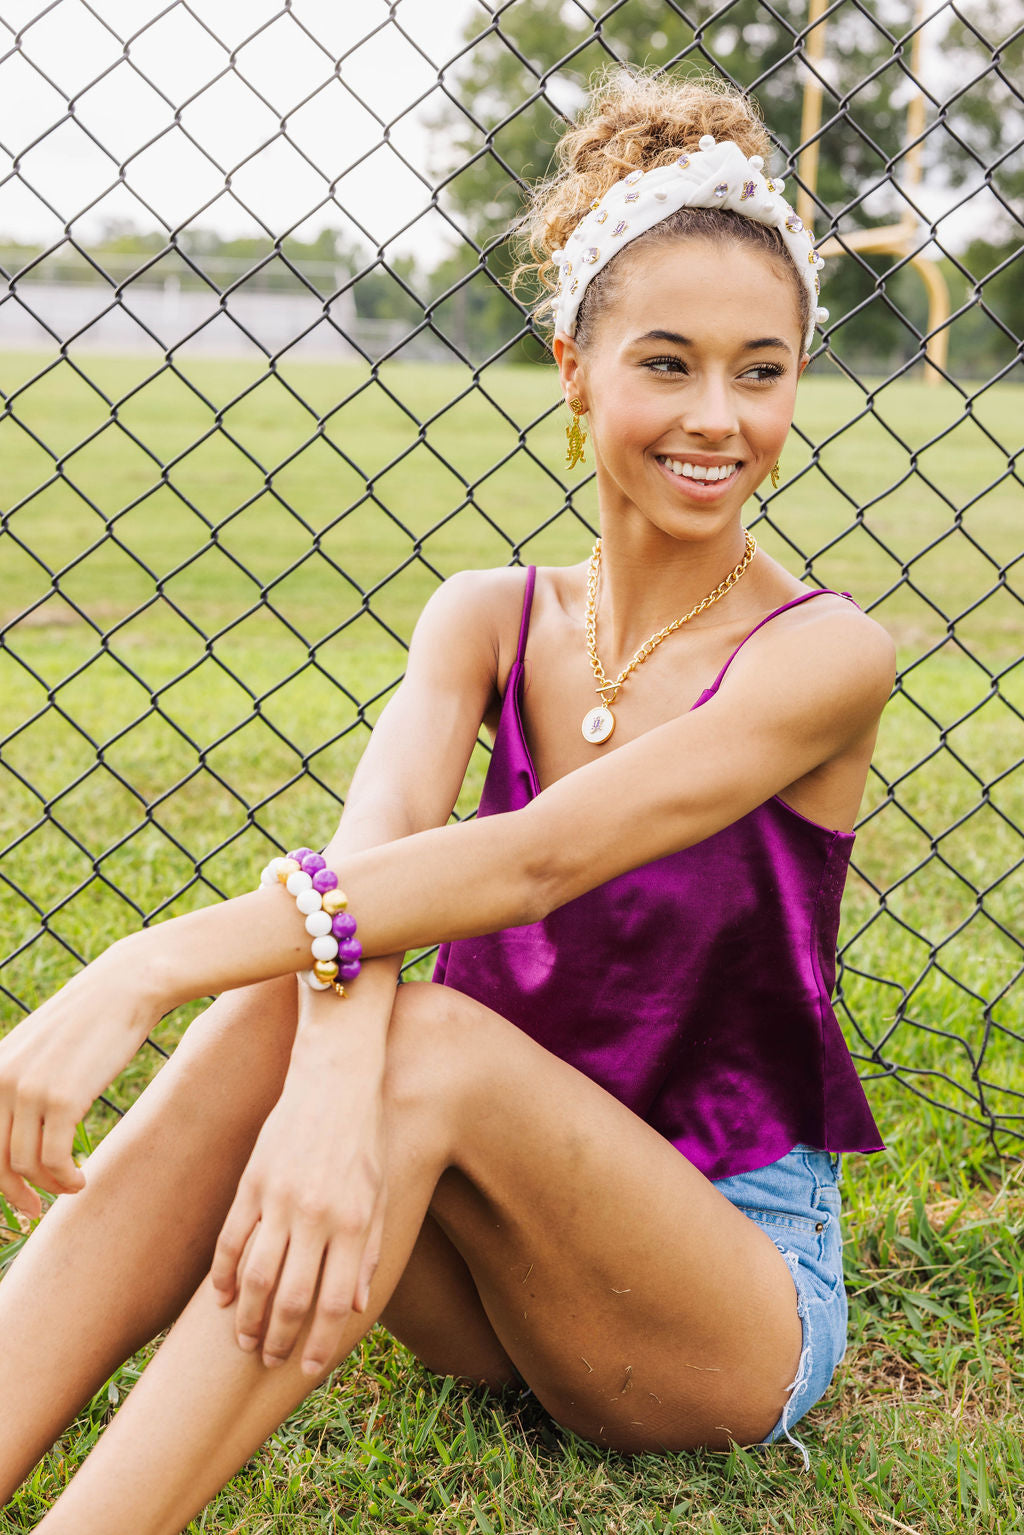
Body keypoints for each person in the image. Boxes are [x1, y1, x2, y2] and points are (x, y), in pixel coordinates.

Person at [0, 69, 894, 1534]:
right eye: (667, 364)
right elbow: (369, 871)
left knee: (412, 1039)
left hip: (716, 1302)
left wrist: (144, 960)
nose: (719, 418)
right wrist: (324, 1069)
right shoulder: (485, 617)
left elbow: (538, 857)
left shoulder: (824, 656)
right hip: (483, 1269)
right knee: (304, 1010)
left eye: (764, 368)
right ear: (574, 368)